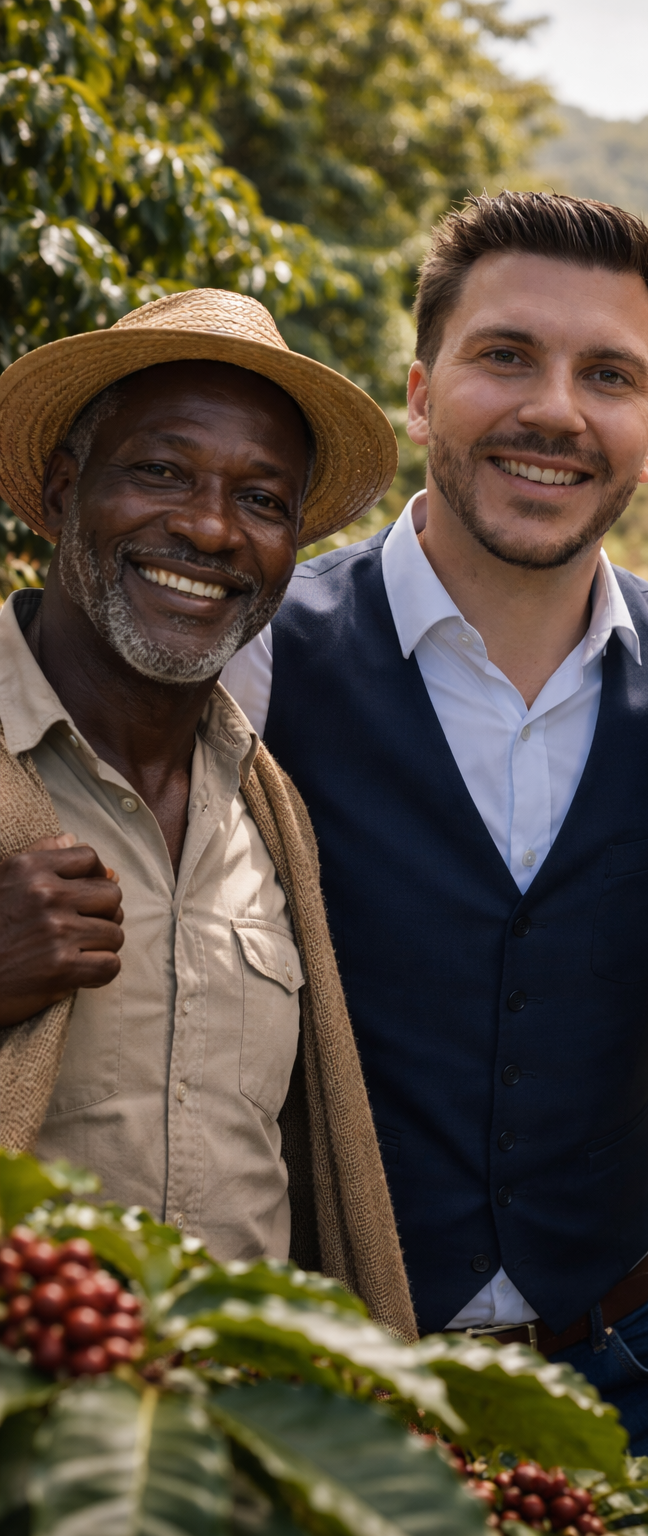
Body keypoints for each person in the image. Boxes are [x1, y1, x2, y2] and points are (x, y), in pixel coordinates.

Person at [223, 190, 648, 1464]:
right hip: (341, 1361)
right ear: (419, 389)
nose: (555, 408)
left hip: (634, 1345)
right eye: (505, 355)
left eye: (607, 374)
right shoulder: (260, 661)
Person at [0, 289, 416, 1341]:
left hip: (226, 1451)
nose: (209, 527)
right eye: (161, 472)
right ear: (60, 492)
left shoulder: (269, 814)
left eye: (263, 500)